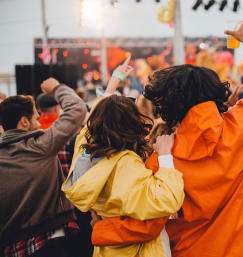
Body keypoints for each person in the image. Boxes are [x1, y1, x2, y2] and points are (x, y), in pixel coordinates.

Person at [90, 17, 243, 257]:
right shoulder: (237, 125)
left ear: (167, 105)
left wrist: (101, 229)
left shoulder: (162, 160)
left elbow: (148, 223)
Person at [61, 56, 185, 257]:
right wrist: (165, 157)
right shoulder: (124, 163)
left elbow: (91, 124)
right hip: (136, 249)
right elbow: (166, 201)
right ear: (131, 123)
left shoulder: (84, 151)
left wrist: (114, 82)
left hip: (108, 249)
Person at [0, 78, 87, 257]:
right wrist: (56, 87)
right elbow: (77, 109)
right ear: (24, 122)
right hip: (47, 241)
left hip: (10, 245)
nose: (39, 123)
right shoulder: (40, 146)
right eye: (35, 118)